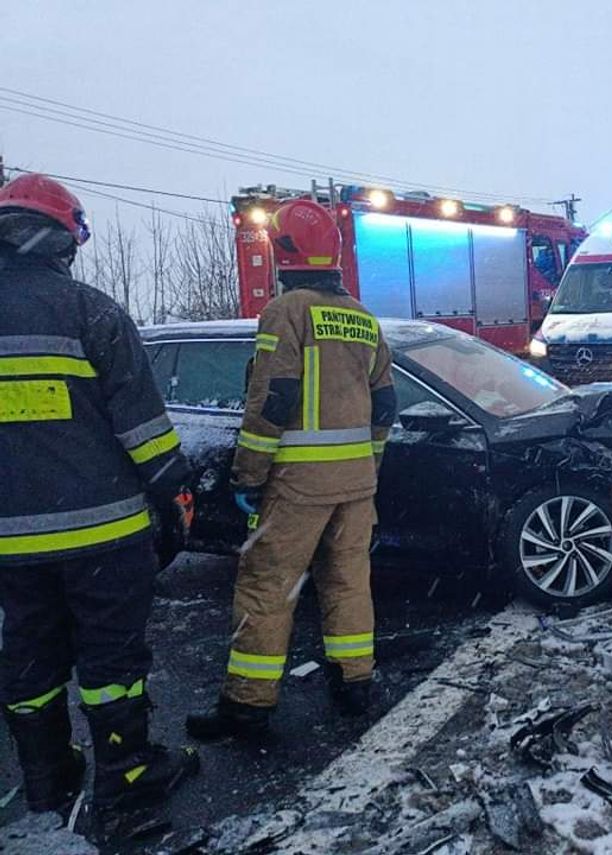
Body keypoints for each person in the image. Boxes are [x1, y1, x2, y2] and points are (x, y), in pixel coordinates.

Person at [0, 174, 200, 832]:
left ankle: (48, 787)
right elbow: (144, 431)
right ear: (63, 238)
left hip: (11, 549)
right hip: (101, 539)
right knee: (111, 667)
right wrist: (177, 492)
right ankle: (127, 788)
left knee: (29, 666)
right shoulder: (90, 312)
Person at [186, 199, 396, 740]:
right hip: (356, 484)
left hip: (297, 484)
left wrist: (248, 477)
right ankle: (355, 685)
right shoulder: (364, 319)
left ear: (284, 255)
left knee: (266, 587)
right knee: (349, 583)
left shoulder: (286, 313)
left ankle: (247, 707)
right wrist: (367, 469)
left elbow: (271, 401)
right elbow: (385, 407)